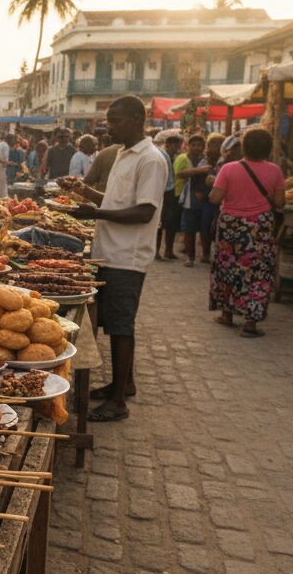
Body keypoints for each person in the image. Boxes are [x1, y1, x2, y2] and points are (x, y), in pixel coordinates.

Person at [59, 95, 168, 422]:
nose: (109, 127)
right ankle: (125, 384)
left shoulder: (151, 159)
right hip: (108, 252)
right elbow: (119, 200)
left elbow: (144, 211)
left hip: (127, 257)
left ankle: (118, 401)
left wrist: (97, 213)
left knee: (122, 328)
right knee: (111, 324)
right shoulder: (123, 154)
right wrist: (85, 195)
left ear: (137, 119)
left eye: (116, 120)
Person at [209, 126, 286, 338]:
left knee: (228, 268)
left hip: (231, 226)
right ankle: (250, 323)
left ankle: (227, 315)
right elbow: (280, 202)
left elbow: (215, 198)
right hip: (260, 227)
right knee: (257, 272)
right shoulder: (275, 171)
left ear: (243, 147)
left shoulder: (228, 169)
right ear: (269, 149)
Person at [174, 133, 211, 267]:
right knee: (189, 230)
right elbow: (179, 174)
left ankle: (206, 255)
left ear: (203, 147)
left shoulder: (208, 159)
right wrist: (199, 170)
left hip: (205, 199)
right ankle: (190, 257)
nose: (196, 147)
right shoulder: (182, 158)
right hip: (188, 199)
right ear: (188, 146)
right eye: (193, 145)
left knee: (205, 230)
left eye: (199, 145)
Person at [155, 132, 183, 260]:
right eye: (175, 146)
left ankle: (167, 250)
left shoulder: (174, 156)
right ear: (168, 144)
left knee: (169, 224)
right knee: (161, 224)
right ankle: (158, 251)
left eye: (178, 146)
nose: (177, 148)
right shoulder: (163, 155)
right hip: (166, 193)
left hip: (170, 193)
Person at [199, 133, 226, 263]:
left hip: (222, 199)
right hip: (207, 198)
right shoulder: (204, 160)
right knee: (205, 226)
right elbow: (197, 179)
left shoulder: (225, 161)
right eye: (212, 143)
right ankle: (205, 253)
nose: (215, 147)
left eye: (218, 143)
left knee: (218, 228)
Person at [0, 133, 11, 197]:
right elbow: (5, 160)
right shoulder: (6, 146)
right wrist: (8, 163)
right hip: (1, 166)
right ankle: (2, 198)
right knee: (2, 185)